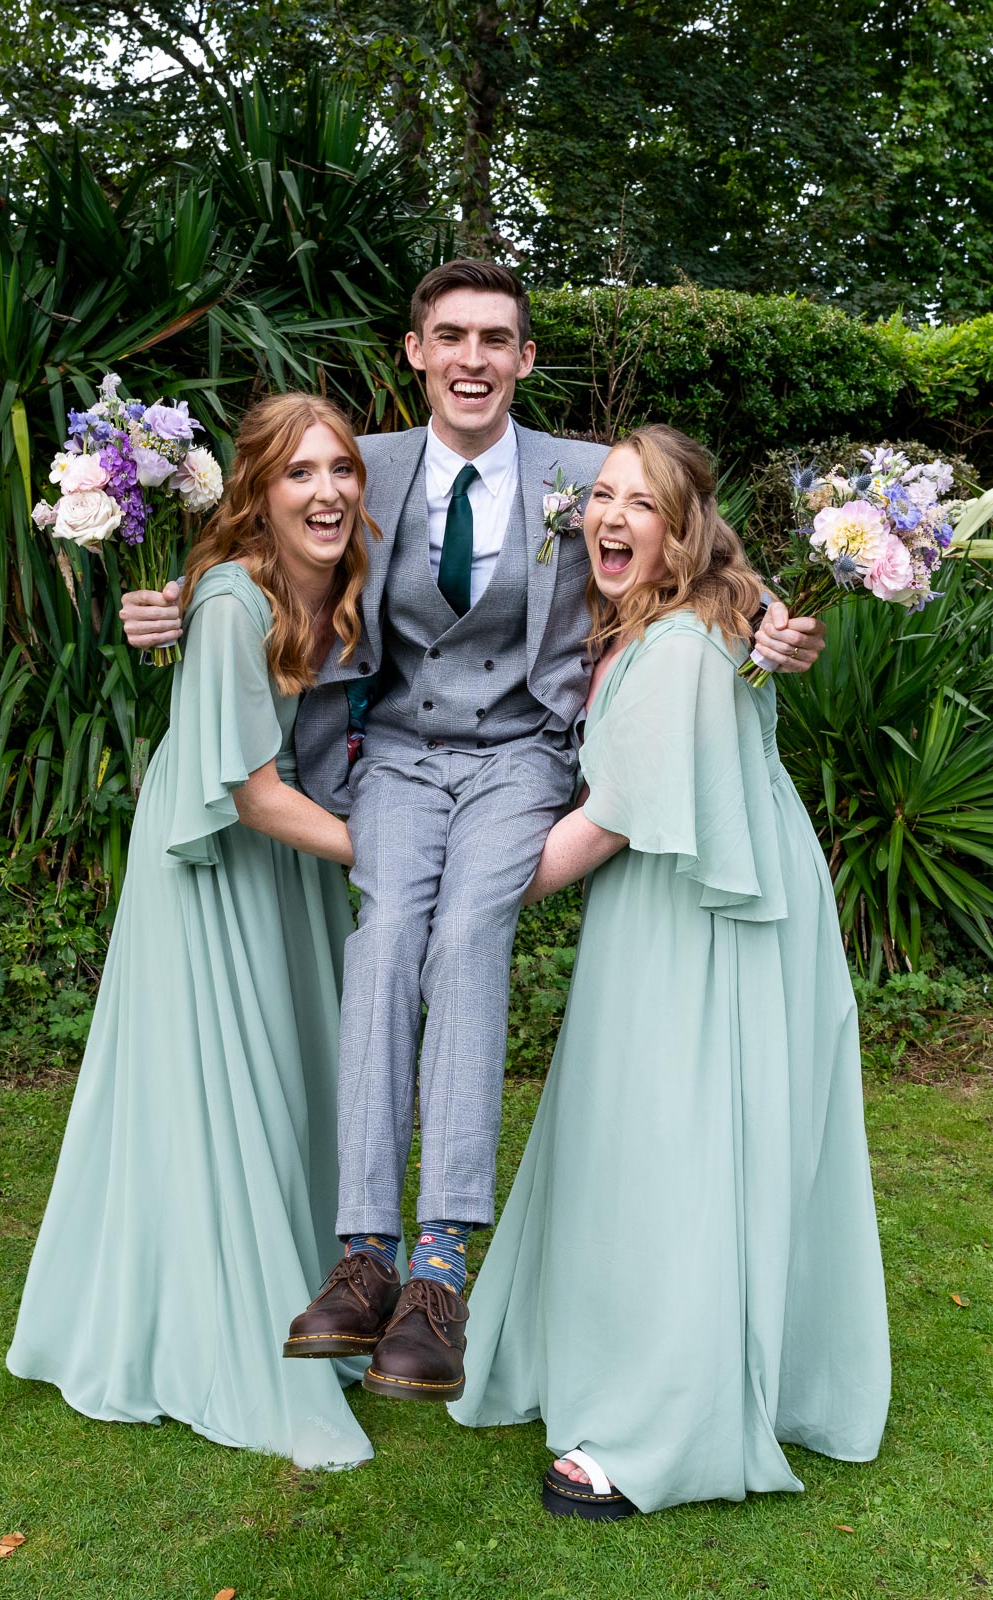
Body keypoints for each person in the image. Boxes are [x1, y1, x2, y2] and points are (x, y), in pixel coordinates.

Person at [119, 260, 826, 1405]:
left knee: (471, 934)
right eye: (450, 335)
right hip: (395, 754)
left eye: (497, 339)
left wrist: (774, 623)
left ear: (525, 358)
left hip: (523, 757)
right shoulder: (369, 467)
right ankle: (363, 1258)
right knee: (390, 928)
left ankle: (442, 1260)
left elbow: (705, 549)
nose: (473, 358)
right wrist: (164, 606)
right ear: (416, 352)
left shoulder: (584, 473)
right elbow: (263, 551)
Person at [447, 424, 891, 1516]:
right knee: (644, 1141)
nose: (611, 517)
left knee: (679, 1150)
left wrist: (461, 909)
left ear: (682, 526)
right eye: (601, 495)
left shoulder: (691, 641)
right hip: (678, 903)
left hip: (705, 917)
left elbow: (605, 823)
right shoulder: (676, 621)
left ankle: (662, 1426)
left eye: (641, 503)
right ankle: (625, 1358)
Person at [7, 393, 382, 1469]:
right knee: (229, 1083)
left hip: (290, 856)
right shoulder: (229, 602)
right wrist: (395, 856)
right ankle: (230, 1328)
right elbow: (249, 790)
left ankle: (318, 1299)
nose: (326, 493)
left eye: (341, 472)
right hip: (221, 855)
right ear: (259, 494)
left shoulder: (334, 579)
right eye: (299, 474)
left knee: (297, 1076)